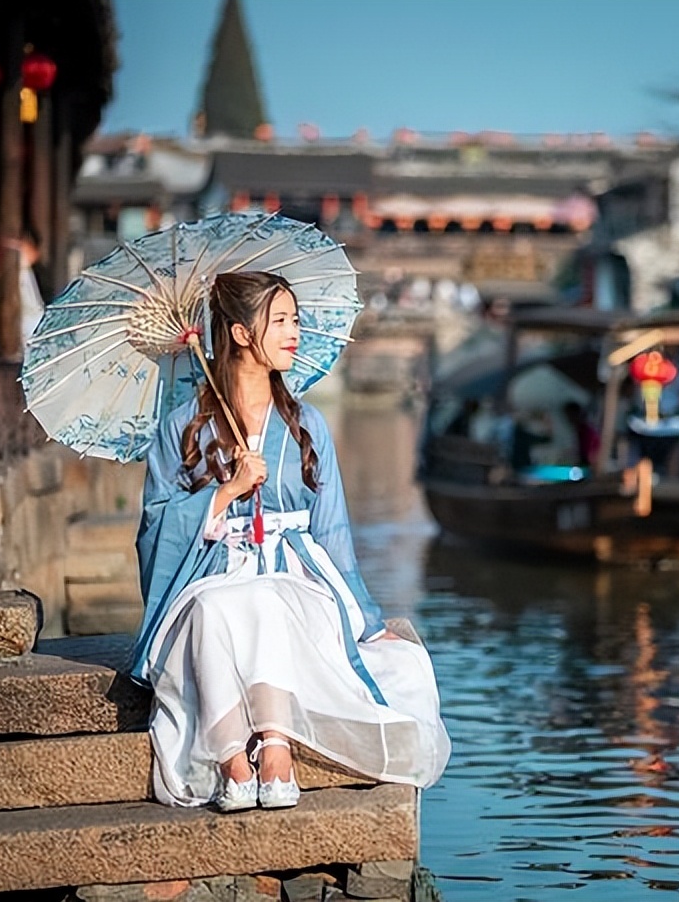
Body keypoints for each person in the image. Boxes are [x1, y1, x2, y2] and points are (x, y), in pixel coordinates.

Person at [131, 270, 450, 812]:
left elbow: (332, 530)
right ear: (240, 334)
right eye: (279, 320)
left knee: (267, 598)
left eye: (295, 320)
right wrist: (225, 492)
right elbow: (154, 528)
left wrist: (368, 619)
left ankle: (275, 749)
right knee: (212, 608)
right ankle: (233, 760)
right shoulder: (182, 428)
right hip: (211, 572)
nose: (293, 332)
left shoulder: (307, 425)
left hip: (297, 578)